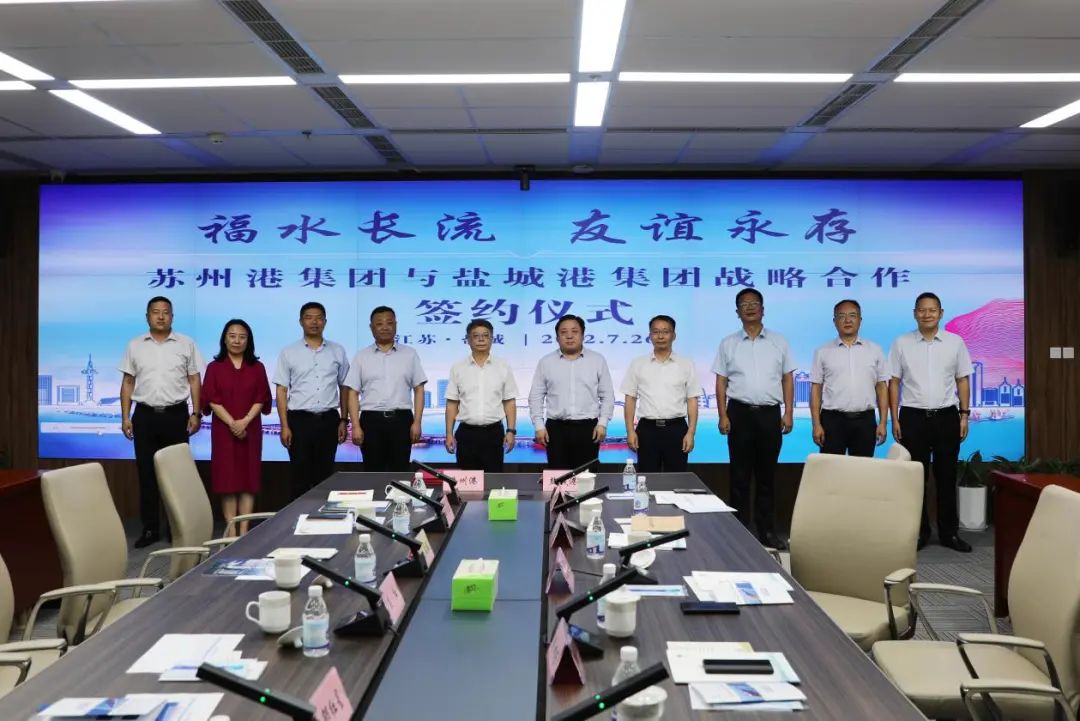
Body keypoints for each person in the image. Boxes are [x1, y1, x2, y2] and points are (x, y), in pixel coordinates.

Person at [889, 292, 973, 553]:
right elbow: (894, 382)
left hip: (947, 416)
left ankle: (949, 533)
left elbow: (962, 379)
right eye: (922, 310)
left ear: (941, 313)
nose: (927, 314)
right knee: (916, 478)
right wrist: (894, 418)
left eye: (932, 310)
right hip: (913, 417)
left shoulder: (955, 343)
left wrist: (964, 414)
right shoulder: (901, 343)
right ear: (915, 313)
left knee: (947, 476)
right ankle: (920, 532)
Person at [119, 296, 204, 549]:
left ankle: (177, 528)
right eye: (155, 312)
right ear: (147, 316)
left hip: (176, 416)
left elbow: (194, 380)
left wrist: (196, 413)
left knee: (176, 474)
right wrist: (125, 416)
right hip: (144, 416)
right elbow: (128, 382)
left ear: (172, 316)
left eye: (165, 312)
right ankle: (150, 529)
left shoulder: (186, 344)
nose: (160, 316)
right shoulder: (135, 345)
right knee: (146, 474)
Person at [712, 289, 794, 550]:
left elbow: (787, 378)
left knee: (767, 476)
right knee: (739, 477)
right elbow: (721, 381)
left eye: (754, 303)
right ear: (737, 312)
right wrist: (722, 414)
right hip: (739, 414)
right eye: (744, 304)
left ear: (763, 309)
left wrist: (788, 412)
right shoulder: (728, 343)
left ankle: (767, 531)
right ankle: (739, 532)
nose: (749, 307)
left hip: (769, 414)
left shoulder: (779, 342)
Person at [201, 319, 271, 536]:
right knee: (227, 481)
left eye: (242, 337)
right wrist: (232, 423)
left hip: (251, 431)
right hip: (224, 432)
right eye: (232, 336)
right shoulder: (214, 367)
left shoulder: (257, 367)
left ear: (248, 340)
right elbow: (210, 398)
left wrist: (244, 421)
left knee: (249, 480)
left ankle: (244, 532)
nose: (237, 341)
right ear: (224, 339)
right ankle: (231, 534)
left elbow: (262, 397)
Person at [273, 302, 349, 498]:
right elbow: (281, 390)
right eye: (308, 317)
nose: (314, 322)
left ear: (325, 322)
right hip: (299, 421)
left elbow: (344, 387)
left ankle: (323, 515)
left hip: (328, 420)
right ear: (301, 322)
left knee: (325, 475)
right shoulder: (288, 352)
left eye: (319, 318)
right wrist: (284, 426)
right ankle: (298, 516)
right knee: (299, 476)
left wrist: (344, 419)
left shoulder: (337, 351)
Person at [345, 306, 428, 472]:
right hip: (371, 421)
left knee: (400, 470)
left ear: (395, 325)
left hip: (401, 420)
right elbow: (352, 393)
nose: (385, 327)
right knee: (373, 470)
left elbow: (419, 389)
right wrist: (355, 425)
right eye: (379, 323)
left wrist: (417, 422)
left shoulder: (410, 354)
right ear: (371, 328)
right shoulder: (361, 356)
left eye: (389, 323)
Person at [529, 315, 614, 471]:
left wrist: (602, 423)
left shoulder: (597, 360)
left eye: (574, 331)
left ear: (583, 335)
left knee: (587, 477)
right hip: (556, 429)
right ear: (557, 337)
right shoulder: (546, 362)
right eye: (564, 332)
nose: (569, 336)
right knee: (558, 477)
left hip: (588, 429)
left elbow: (607, 395)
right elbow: (536, 396)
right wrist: (539, 425)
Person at [620, 315, 700, 473]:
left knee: (676, 478)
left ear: (674, 335)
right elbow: (630, 399)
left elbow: (692, 400)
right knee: (646, 477)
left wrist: (691, 432)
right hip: (647, 430)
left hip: (676, 429)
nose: (660, 336)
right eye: (656, 332)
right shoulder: (638, 363)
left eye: (665, 332)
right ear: (650, 335)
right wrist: (630, 431)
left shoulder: (686, 364)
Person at [809, 299, 889, 457]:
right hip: (832, 420)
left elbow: (881, 387)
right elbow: (816, 389)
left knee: (862, 468)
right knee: (831, 468)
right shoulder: (822, 351)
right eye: (842, 316)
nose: (847, 320)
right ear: (834, 321)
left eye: (852, 315)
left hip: (865, 420)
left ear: (860, 320)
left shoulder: (875, 350)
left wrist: (882, 423)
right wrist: (816, 424)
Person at [444, 319, 518, 472]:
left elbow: (509, 402)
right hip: (466, 434)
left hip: (494, 434)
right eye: (476, 336)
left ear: (492, 339)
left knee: (493, 480)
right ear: (468, 340)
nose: (481, 339)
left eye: (485, 335)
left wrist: (511, 431)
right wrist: (449, 434)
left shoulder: (503, 366)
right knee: (467, 481)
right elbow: (452, 403)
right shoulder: (458, 368)